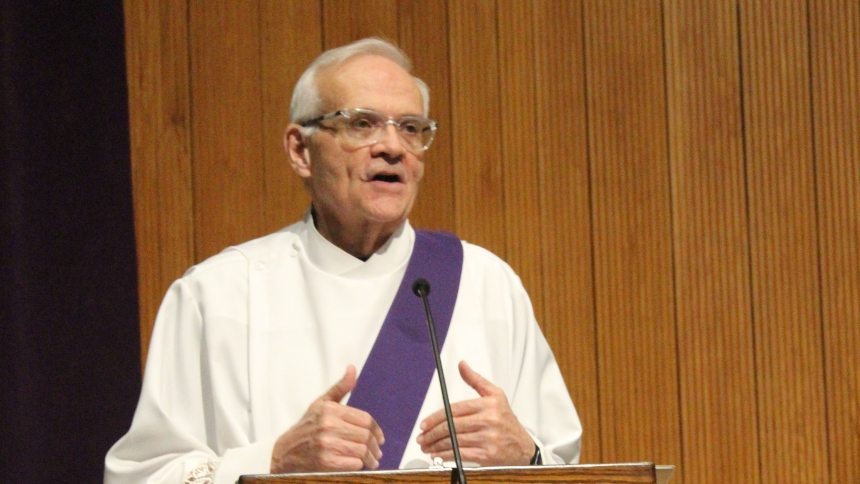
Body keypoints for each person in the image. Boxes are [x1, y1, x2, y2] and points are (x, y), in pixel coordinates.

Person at [105, 37, 582, 484]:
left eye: (412, 129)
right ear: (300, 150)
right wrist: (270, 462)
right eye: (362, 123)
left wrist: (527, 455)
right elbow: (142, 476)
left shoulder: (487, 283)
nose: (393, 147)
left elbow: (565, 465)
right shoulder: (217, 295)